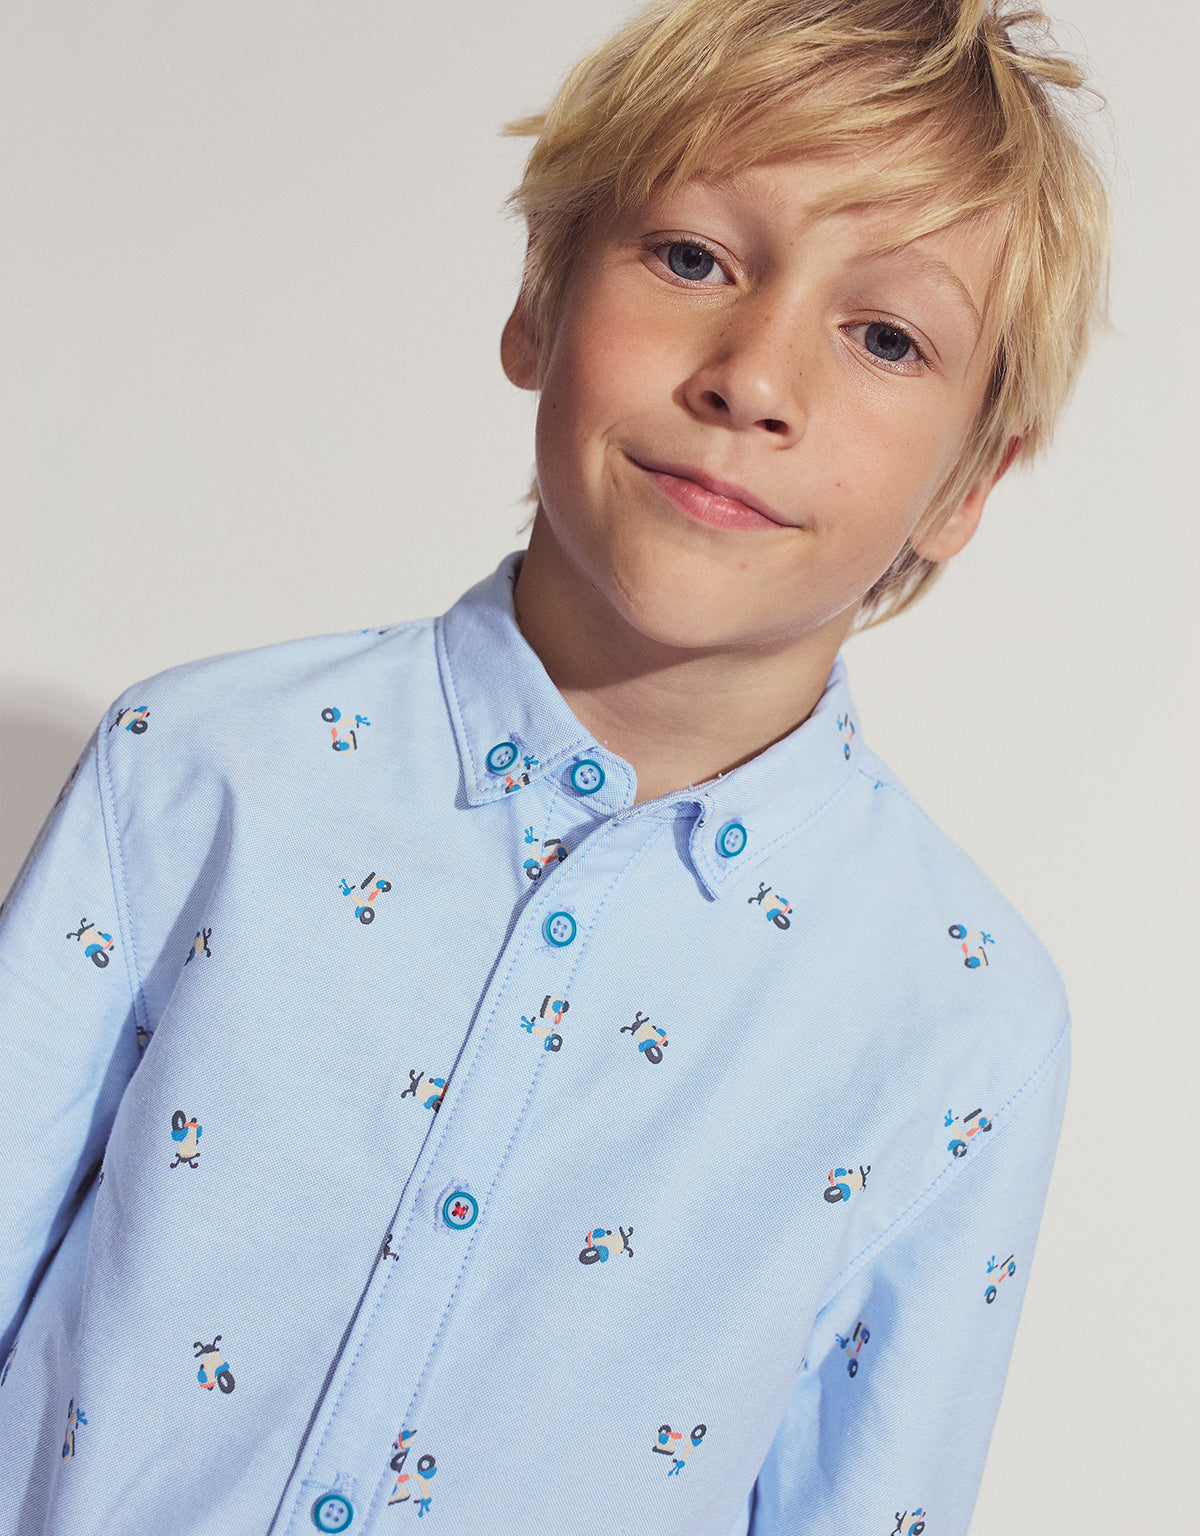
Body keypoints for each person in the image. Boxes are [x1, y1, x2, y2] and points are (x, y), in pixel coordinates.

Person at [0, 1, 1109, 1532]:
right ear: (540, 293)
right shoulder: (194, 775)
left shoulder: (965, 1021)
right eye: (694, 259)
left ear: (968, 484)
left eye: (885, 337)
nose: (755, 378)